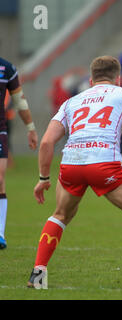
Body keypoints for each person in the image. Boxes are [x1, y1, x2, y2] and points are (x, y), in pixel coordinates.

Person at [27, 56, 122, 291]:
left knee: (60, 215)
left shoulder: (71, 102)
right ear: (118, 79)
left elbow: (47, 142)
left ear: (91, 80)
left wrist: (43, 179)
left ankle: (38, 275)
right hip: (104, 163)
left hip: (71, 164)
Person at [0, 57, 38, 249]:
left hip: (0, 130)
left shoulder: (6, 68)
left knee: (0, 179)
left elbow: (19, 101)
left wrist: (30, 128)